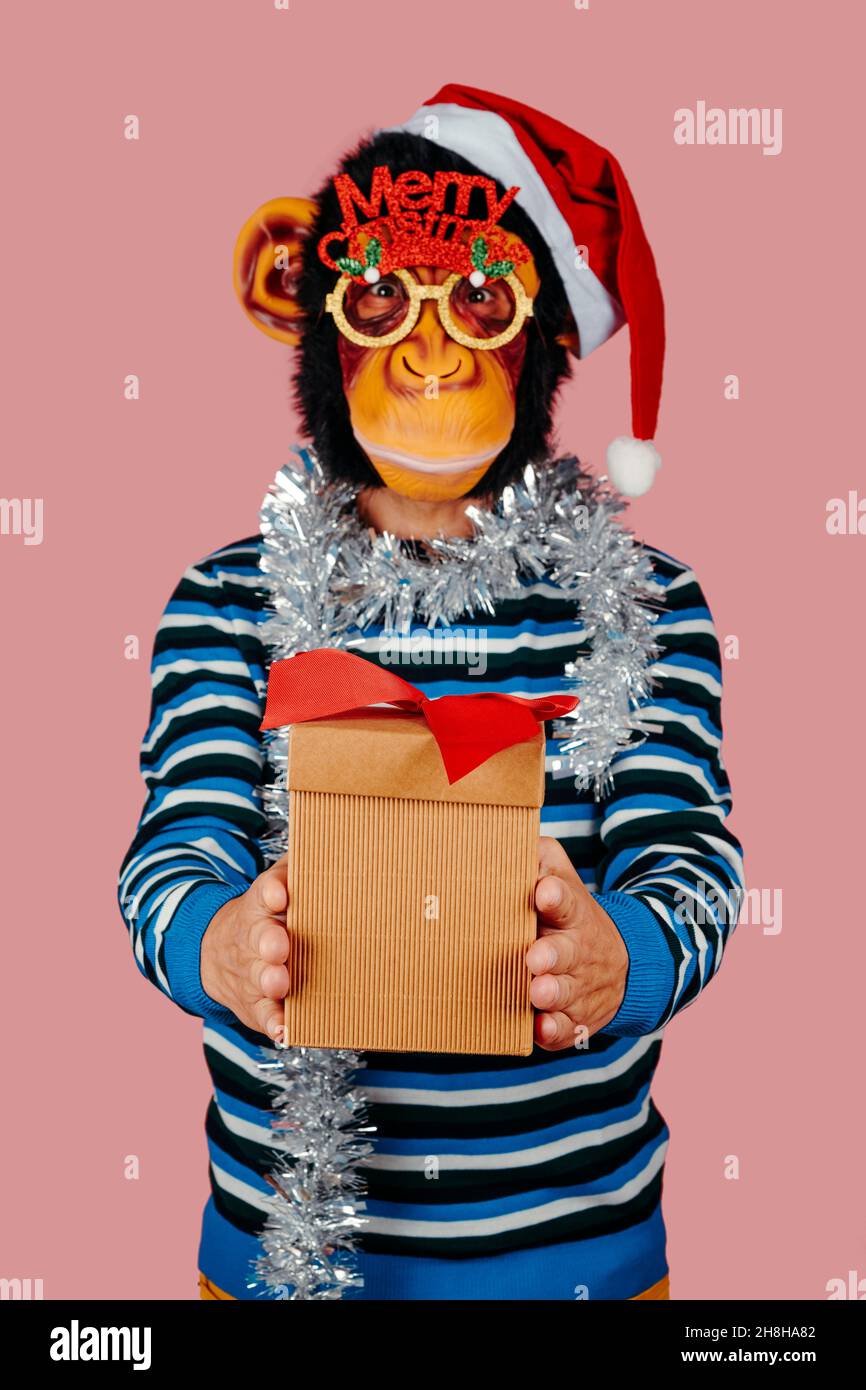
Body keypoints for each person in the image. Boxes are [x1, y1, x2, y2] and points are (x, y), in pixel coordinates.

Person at [118, 84, 745, 1301]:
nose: (428, 345)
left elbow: (693, 862)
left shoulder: (648, 603)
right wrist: (219, 943)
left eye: (476, 300)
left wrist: (628, 952)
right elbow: (166, 858)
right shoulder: (223, 600)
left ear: (542, 338)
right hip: (280, 1259)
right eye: (379, 296)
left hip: (577, 1254)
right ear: (305, 309)